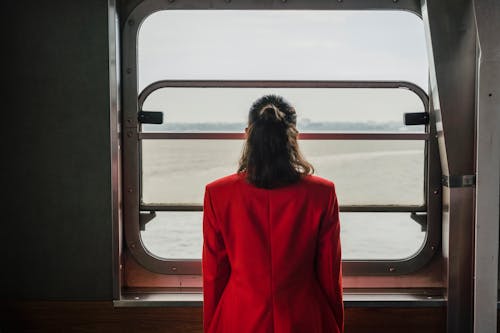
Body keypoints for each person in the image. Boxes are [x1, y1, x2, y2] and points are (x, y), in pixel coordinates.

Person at [202, 95, 343, 333]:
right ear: (294, 135)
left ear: (248, 133)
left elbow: (214, 275)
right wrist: (334, 325)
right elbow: (329, 273)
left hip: (237, 317)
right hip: (304, 316)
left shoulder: (217, 193)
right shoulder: (322, 193)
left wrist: (213, 326)